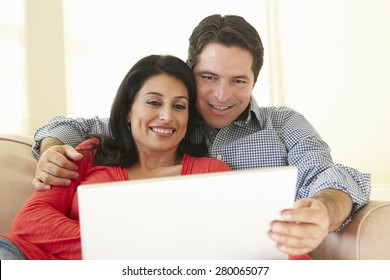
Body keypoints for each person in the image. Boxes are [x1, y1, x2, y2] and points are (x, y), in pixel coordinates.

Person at [31, 14, 370, 257]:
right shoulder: (162, 124)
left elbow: (326, 174)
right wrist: (52, 149)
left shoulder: (283, 125)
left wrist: (325, 209)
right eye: (208, 77)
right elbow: (70, 126)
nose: (221, 95)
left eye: (238, 80)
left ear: (255, 80)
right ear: (189, 68)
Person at [0, 54, 231, 260]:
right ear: (129, 111)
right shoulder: (92, 152)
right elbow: (30, 221)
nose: (166, 116)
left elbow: (226, 242)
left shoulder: (210, 173)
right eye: (153, 102)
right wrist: (121, 250)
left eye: (179, 106)